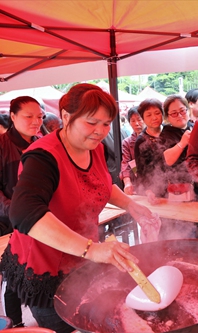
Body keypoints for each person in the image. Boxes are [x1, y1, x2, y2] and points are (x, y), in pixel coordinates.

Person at [0, 83, 154, 333]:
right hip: (45, 262)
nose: (100, 131)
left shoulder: (97, 148)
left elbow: (100, 184)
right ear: (66, 116)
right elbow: (23, 212)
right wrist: (92, 250)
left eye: (106, 124)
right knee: (63, 325)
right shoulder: (42, 156)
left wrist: (131, 205)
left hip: (81, 255)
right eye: (91, 122)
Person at [0, 96, 44, 327]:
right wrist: (16, 212)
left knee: (33, 269)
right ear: (13, 116)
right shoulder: (1, 145)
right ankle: (15, 324)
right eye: (29, 116)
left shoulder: (41, 143)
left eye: (39, 116)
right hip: (8, 222)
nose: (36, 121)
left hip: (38, 220)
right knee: (13, 274)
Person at [134, 98, 167, 197]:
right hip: (155, 189)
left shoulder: (170, 132)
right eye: (149, 115)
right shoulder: (140, 141)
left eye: (157, 113)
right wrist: (148, 191)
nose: (154, 117)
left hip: (176, 187)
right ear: (143, 118)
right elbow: (140, 170)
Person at [120, 106, 145, 195]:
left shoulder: (153, 138)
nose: (137, 124)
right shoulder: (127, 142)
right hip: (137, 184)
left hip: (155, 181)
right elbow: (125, 163)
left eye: (139, 119)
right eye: (133, 121)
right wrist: (127, 183)